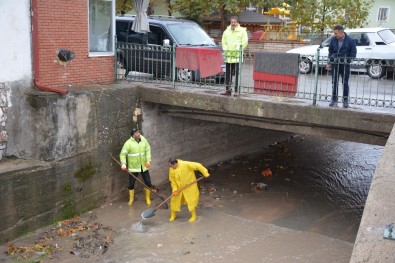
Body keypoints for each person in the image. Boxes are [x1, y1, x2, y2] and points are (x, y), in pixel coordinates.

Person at [168, 158, 210, 223]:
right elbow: (172, 180)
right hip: (179, 188)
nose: (170, 167)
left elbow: (198, 165)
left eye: (171, 166)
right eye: (170, 166)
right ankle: (173, 215)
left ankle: (193, 215)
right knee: (174, 201)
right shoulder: (171, 169)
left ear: (175, 163)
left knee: (191, 201)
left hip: (189, 186)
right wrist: (174, 189)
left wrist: (205, 173)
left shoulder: (185, 164)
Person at [120, 128, 153, 206]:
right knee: (131, 184)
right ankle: (131, 199)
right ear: (133, 135)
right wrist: (123, 164)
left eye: (138, 132)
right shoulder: (128, 143)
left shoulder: (143, 140)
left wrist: (148, 161)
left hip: (144, 166)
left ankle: (148, 198)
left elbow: (148, 150)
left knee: (148, 183)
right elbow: (122, 154)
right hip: (134, 167)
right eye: (136, 133)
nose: (139, 134)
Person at [327, 25, 357, 108]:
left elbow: (353, 53)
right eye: (334, 33)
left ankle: (345, 100)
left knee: (345, 82)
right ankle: (334, 99)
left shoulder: (350, 40)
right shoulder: (333, 40)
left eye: (336, 33)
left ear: (341, 32)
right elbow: (330, 51)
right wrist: (329, 62)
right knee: (334, 82)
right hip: (335, 64)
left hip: (345, 65)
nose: (334, 35)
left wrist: (347, 61)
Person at [220, 16, 248, 96]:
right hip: (229, 56)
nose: (233, 23)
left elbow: (245, 42)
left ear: (237, 22)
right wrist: (225, 49)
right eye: (232, 22)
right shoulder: (226, 31)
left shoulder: (242, 31)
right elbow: (223, 41)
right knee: (228, 74)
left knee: (237, 74)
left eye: (234, 22)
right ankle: (228, 90)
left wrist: (238, 49)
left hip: (237, 56)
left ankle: (236, 91)